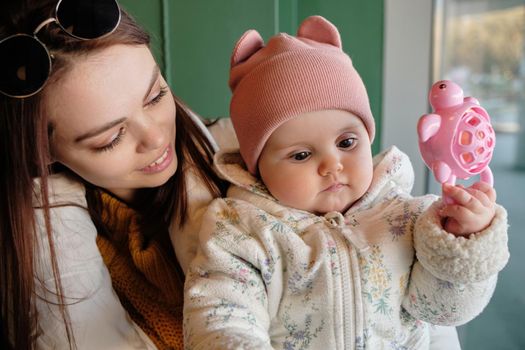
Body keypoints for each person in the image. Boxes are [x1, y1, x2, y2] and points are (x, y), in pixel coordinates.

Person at [183, 16, 510, 349]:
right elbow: (220, 317)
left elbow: (443, 309)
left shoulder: (407, 217)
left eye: (346, 143)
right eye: (300, 155)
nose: (331, 166)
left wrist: (466, 239)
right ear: (257, 169)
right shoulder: (242, 231)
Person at [0, 0, 226, 349]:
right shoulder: (44, 261)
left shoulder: (246, 157)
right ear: (42, 154)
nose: (155, 137)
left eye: (155, 96)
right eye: (111, 138)